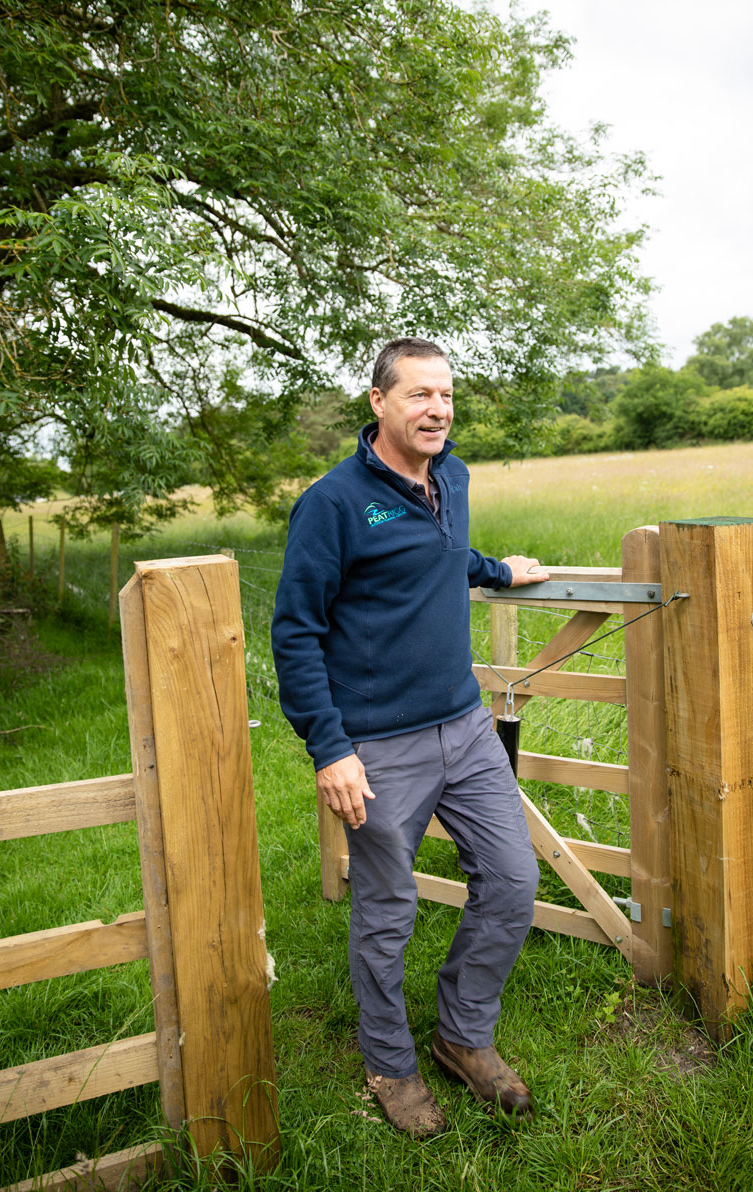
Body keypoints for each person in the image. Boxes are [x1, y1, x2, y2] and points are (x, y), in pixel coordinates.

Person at [271, 337, 548, 1136]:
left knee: (510, 879)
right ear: (378, 402)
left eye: (447, 395)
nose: (437, 410)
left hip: (462, 724)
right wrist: (329, 747)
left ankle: (462, 1035)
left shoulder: (451, 475)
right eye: (420, 395)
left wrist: (497, 570)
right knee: (386, 910)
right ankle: (390, 1064)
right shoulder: (333, 503)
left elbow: (439, 557)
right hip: (377, 743)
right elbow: (295, 631)